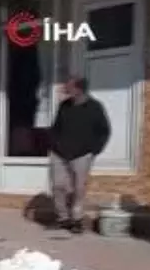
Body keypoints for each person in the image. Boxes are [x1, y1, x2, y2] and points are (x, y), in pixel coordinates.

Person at [48, 76, 111, 233]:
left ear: (78, 89)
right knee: (58, 186)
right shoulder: (64, 106)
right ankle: (62, 218)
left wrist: (94, 150)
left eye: (69, 87)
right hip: (59, 153)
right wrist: (53, 143)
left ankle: (76, 219)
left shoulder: (95, 107)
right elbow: (56, 127)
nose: (65, 89)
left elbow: (104, 131)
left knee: (78, 188)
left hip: (82, 154)